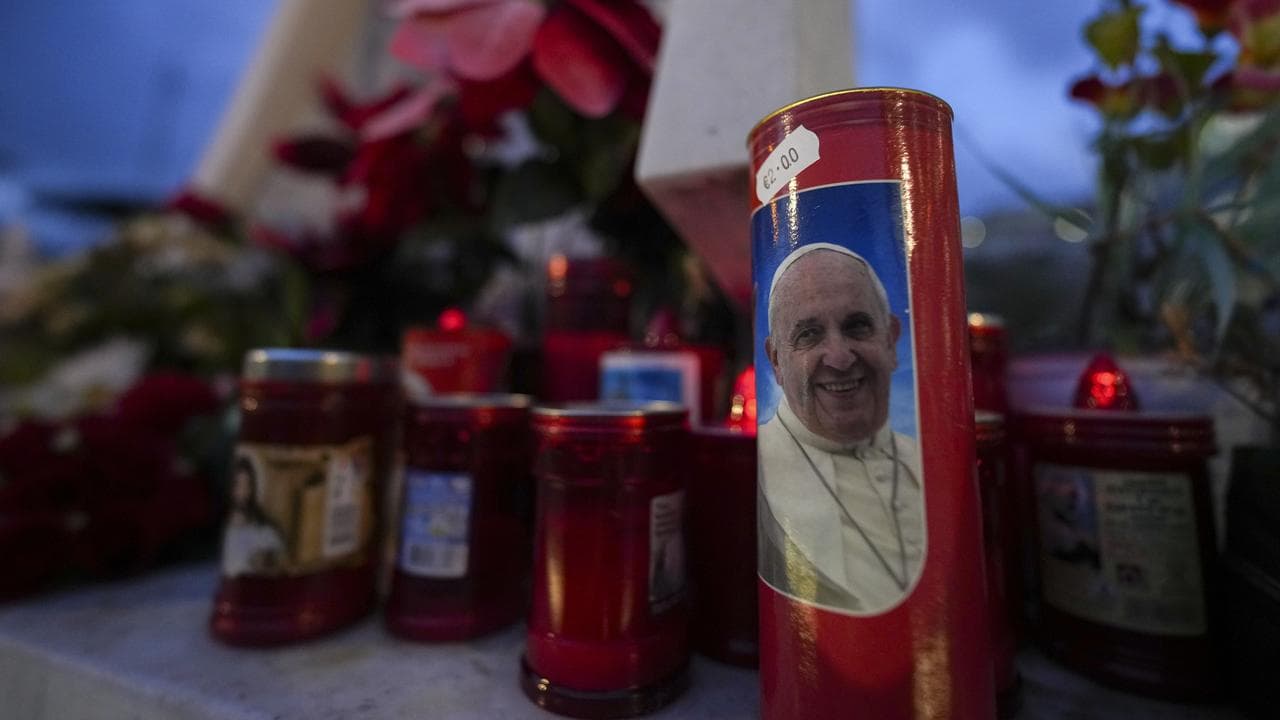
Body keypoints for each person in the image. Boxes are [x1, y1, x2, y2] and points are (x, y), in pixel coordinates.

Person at [758, 242, 924, 613]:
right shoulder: (757, 472)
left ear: (891, 339)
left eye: (857, 327)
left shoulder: (928, 461)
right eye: (809, 335)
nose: (839, 357)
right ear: (776, 362)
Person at [221, 456, 287, 577]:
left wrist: (266, 559)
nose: (242, 492)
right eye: (237, 485)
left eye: (247, 485)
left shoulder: (265, 530)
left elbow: (278, 557)